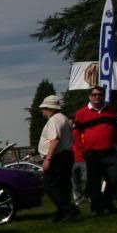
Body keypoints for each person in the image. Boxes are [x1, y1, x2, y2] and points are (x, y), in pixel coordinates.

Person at [73, 86, 117, 214]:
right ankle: (97, 207)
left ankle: (107, 201)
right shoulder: (81, 113)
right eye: (94, 95)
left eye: (100, 94)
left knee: (115, 177)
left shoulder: (111, 111)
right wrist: (81, 149)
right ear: (89, 96)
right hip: (92, 153)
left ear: (103, 96)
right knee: (94, 182)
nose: (97, 97)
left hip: (109, 151)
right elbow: (76, 133)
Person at [37, 95, 78, 223]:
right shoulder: (63, 118)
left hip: (57, 157)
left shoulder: (54, 120)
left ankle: (68, 209)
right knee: (62, 185)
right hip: (65, 155)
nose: (42, 110)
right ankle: (63, 212)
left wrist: (48, 159)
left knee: (49, 185)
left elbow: (55, 140)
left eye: (44, 108)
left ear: (49, 108)